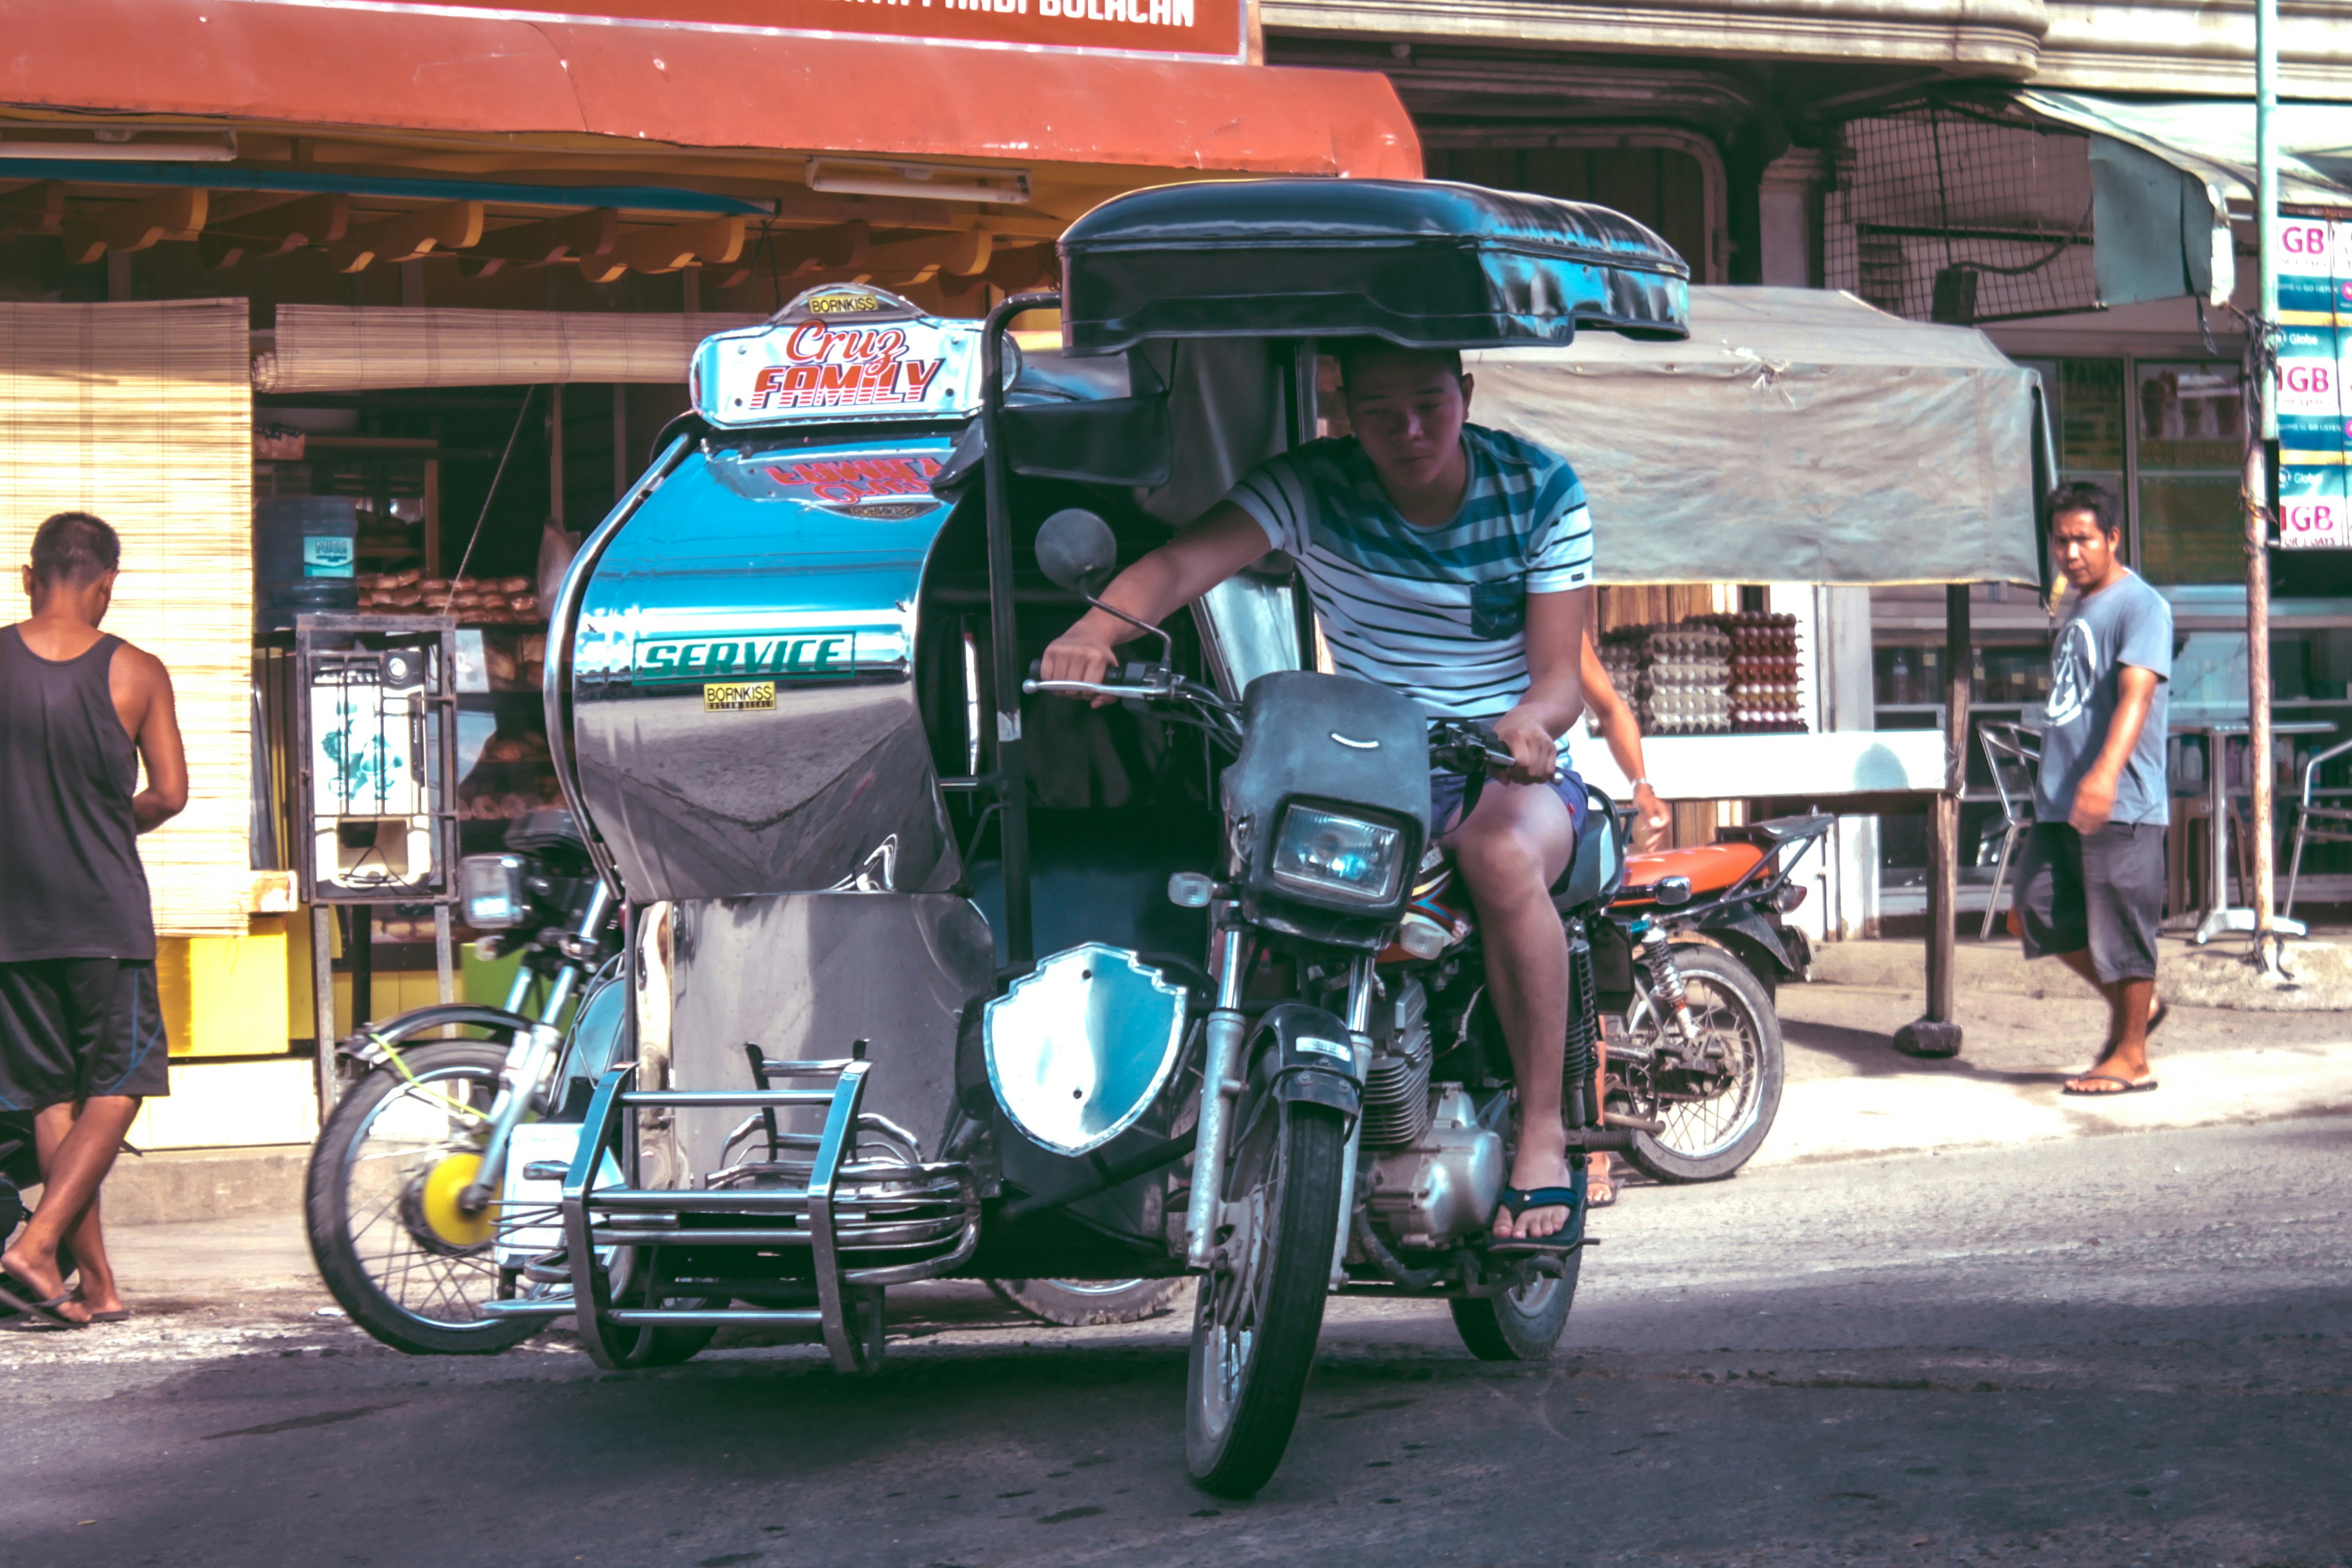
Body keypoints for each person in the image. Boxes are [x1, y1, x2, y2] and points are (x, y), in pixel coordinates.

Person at [1043, 340, 1595, 1243]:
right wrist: (1094, 631)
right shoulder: (1309, 485)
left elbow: (1560, 679)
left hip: (1503, 767)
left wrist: (1528, 725)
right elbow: (1178, 566)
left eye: (1428, 404)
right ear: (1344, 411)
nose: (1407, 429)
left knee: (1497, 854)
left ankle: (1541, 1134)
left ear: (1465, 392)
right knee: (1245, 874)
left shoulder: (1540, 488)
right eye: (1379, 411)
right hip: (1372, 765)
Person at [0, 512, 186, 1328]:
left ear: (29, 576)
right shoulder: (136, 670)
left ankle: (95, 1285)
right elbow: (169, 793)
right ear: (107, 583)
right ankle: (36, 1245)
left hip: (12, 920)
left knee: (50, 1099)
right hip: (103, 914)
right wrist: (108, 820)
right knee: (120, 1087)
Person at [2014, 483, 2170, 1096]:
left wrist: (2104, 775)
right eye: (2060, 540)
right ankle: (2139, 1006)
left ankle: (2132, 1056)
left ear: (2112, 538)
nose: (2070, 552)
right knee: (2034, 910)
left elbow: (2137, 696)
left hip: (2119, 799)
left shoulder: (2141, 604)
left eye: (2082, 539)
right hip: (2060, 800)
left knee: (2123, 930)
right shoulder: (2080, 608)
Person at [1569, 634, 1670, 1207]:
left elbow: (1608, 707)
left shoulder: (1536, 611)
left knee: (1576, 972)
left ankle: (1592, 1150)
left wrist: (1641, 784)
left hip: (1563, 812)